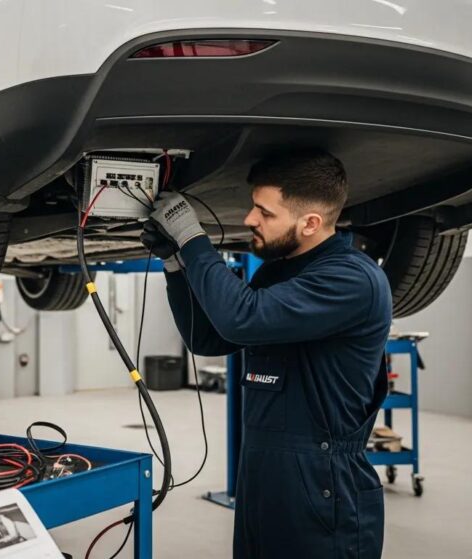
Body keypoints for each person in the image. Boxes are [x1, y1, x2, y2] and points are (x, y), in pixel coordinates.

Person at [141, 150, 392, 558]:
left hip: (321, 483)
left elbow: (242, 318)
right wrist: (175, 263)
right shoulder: (278, 272)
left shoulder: (352, 279)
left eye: (265, 212)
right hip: (262, 475)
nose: (249, 220)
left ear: (310, 223)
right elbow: (209, 339)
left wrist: (191, 236)